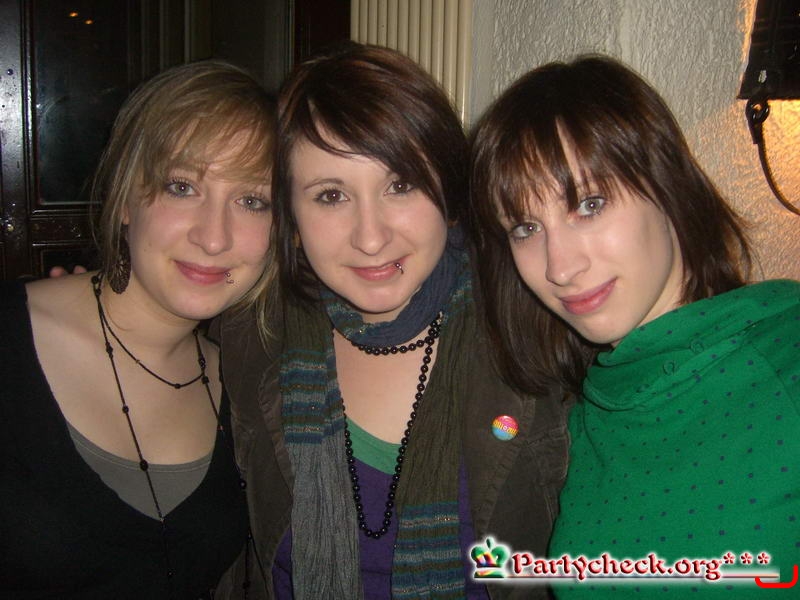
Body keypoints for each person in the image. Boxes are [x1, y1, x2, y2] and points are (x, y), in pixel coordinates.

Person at [214, 42, 570, 600]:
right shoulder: (252, 332)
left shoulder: (533, 323)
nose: (371, 237)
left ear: (447, 187)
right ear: (290, 214)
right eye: (331, 195)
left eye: (400, 185)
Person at [469, 54, 800, 596]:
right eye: (526, 227)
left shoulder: (788, 361)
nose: (559, 268)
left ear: (667, 184)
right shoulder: (584, 418)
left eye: (589, 204)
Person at [0, 60, 276, 598]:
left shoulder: (249, 388)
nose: (214, 238)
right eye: (182, 186)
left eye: (252, 201)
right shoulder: (11, 341)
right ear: (126, 198)